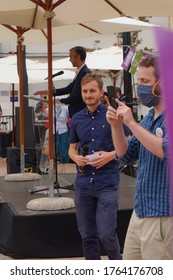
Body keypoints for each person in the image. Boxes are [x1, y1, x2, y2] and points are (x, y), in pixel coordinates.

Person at [106, 56, 173, 260]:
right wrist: (116, 127)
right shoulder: (149, 118)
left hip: (163, 214)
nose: (140, 88)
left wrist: (131, 123)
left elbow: (166, 151)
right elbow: (125, 155)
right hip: (141, 211)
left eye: (145, 82)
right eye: (139, 82)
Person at [68, 73, 122, 260]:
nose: (88, 94)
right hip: (83, 183)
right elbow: (71, 149)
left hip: (107, 182)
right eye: (85, 91)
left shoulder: (112, 115)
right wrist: (76, 158)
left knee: (107, 235)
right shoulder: (76, 118)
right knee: (87, 236)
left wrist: (110, 155)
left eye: (92, 91)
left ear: (100, 92)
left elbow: (130, 143)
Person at [34, 46, 91, 118]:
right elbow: (68, 88)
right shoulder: (81, 72)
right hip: (76, 112)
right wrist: (48, 92)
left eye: (71, 57)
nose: (69, 60)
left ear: (78, 57)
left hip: (80, 112)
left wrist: (59, 101)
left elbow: (76, 96)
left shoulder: (85, 73)